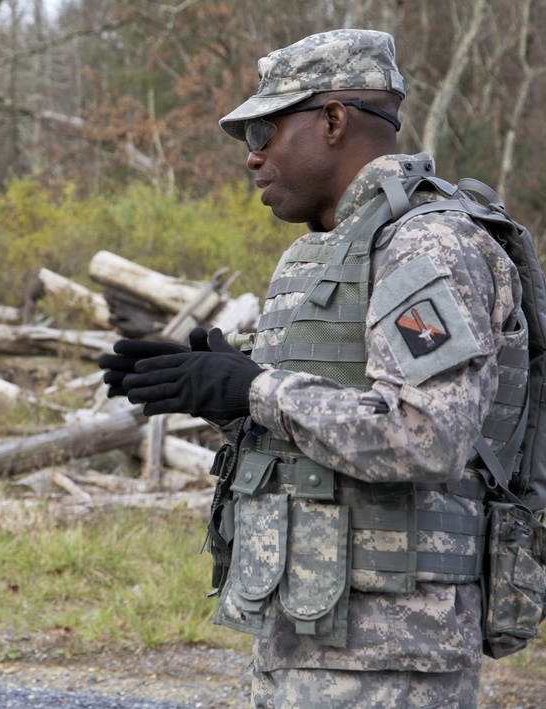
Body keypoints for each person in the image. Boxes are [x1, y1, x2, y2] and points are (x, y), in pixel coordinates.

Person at [99, 29, 523, 708]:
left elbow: (429, 431)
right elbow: (315, 428)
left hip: (393, 659)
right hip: (307, 636)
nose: (253, 156)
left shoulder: (425, 246)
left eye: (265, 128)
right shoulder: (323, 256)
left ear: (332, 119)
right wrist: (225, 395)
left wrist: (259, 386)